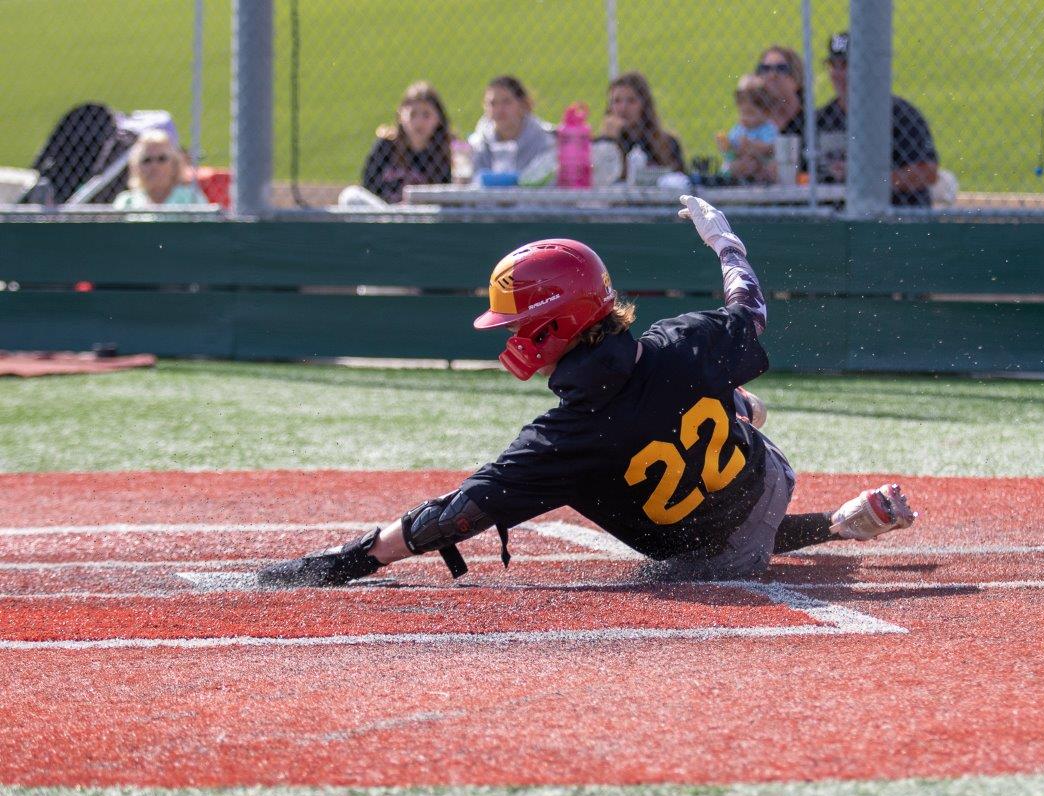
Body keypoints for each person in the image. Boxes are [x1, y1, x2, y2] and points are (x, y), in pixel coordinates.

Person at [258, 195, 916, 589]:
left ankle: (832, 524)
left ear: (556, 324)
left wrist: (348, 561)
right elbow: (751, 306)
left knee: (685, 535)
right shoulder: (680, 337)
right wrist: (724, 241)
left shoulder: (564, 437)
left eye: (520, 325)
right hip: (768, 474)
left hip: (711, 556)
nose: (514, 337)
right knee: (705, 394)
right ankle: (767, 441)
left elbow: (457, 513)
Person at [816, 31, 939, 207]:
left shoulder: (901, 115)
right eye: (833, 66)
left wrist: (869, 182)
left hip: (897, 218)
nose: (838, 74)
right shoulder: (822, 119)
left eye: (847, 65)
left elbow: (927, 172)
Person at [361, 81, 452, 203]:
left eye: (426, 115)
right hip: (386, 214)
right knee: (350, 195)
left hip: (425, 216)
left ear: (439, 118)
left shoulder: (444, 151)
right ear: (400, 115)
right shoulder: (386, 145)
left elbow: (448, 195)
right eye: (412, 114)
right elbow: (368, 186)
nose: (419, 122)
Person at [598, 72, 686, 180]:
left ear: (644, 105)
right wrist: (608, 141)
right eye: (617, 101)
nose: (623, 108)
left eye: (631, 101)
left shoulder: (667, 143)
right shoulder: (602, 145)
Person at [468, 76, 555, 175]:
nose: (499, 110)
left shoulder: (544, 142)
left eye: (506, 102)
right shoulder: (478, 143)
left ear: (523, 105)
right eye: (492, 103)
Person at [111, 130, 207, 209]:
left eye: (162, 159)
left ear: (174, 164)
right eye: (146, 160)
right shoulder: (127, 202)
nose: (154, 166)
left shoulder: (191, 199)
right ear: (136, 167)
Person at [717, 75, 779, 183]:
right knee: (729, 166)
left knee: (769, 167)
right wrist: (726, 146)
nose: (745, 119)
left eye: (750, 114)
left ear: (765, 113)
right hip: (742, 163)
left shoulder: (768, 128)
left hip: (761, 165)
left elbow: (771, 147)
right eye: (742, 114)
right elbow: (732, 150)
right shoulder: (739, 128)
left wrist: (752, 145)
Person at [755, 45, 806, 137]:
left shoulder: (811, 125)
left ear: (796, 79)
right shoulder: (753, 126)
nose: (772, 75)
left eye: (781, 69)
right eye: (765, 69)